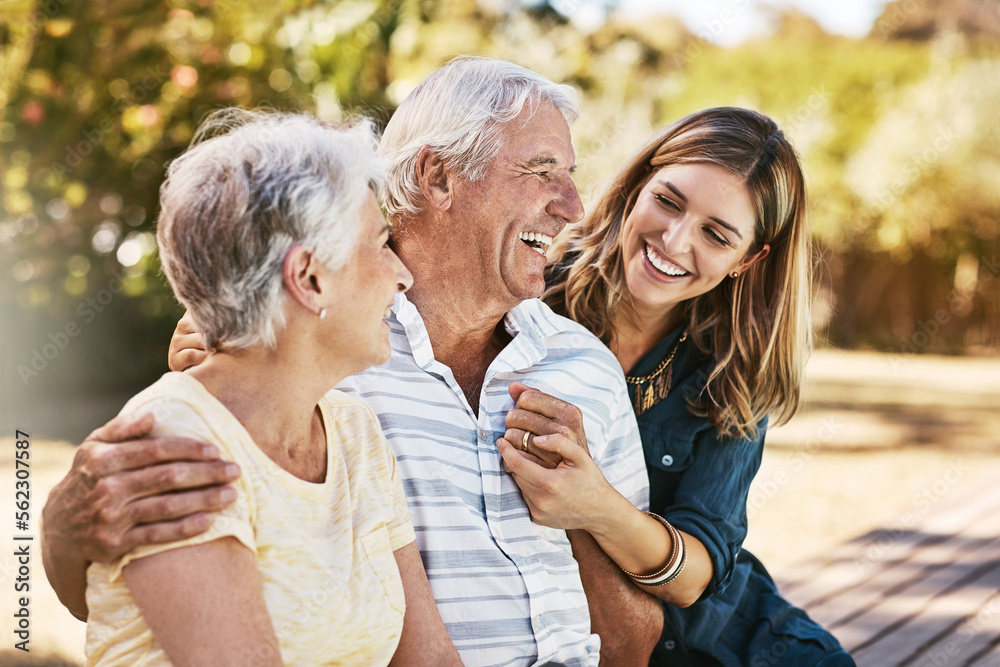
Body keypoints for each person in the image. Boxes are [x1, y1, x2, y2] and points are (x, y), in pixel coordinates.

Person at [42, 58, 662, 666]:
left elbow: (624, 632)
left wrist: (587, 507)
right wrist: (62, 527)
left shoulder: (354, 428)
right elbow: (125, 552)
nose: (575, 206)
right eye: (541, 170)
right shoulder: (287, 375)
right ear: (439, 177)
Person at [64, 108, 463, 665]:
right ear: (308, 278)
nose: (403, 274)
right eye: (380, 244)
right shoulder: (174, 445)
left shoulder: (355, 434)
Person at [497, 107, 855, 665]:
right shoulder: (530, 295)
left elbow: (696, 575)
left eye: (716, 234)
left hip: (734, 639)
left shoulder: (735, 366)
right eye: (668, 201)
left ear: (748, 259)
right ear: (639, 184)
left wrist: (596, 507)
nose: (674, 240)